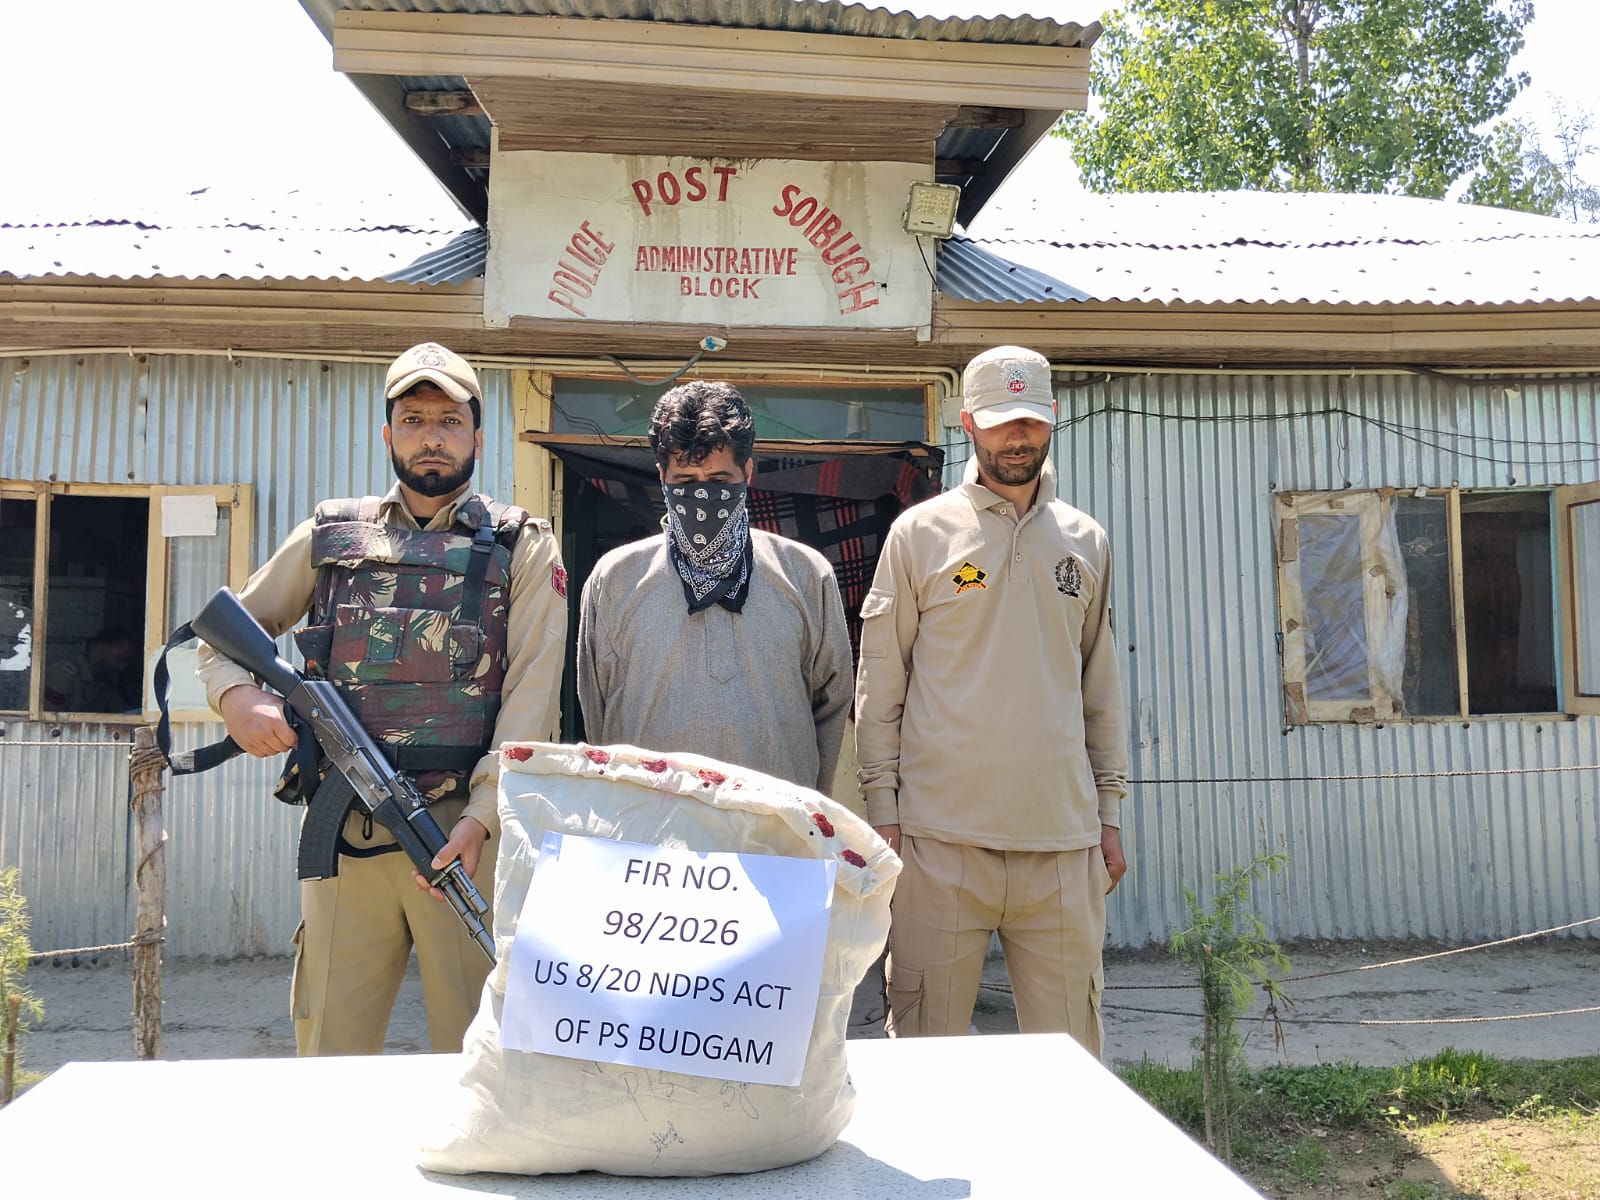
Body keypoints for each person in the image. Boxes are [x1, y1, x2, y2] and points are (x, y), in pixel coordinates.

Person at [197, 341, 567, 1056]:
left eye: (450, 421)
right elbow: (222, 633)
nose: (432, 436)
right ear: (387, 433)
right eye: (414, 419)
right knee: (330, 1050)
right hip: (346, 833)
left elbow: (532, 699)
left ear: (478, 436)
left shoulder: (521, 544)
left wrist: (483, 819)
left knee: (477, 1054)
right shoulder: (332, 533)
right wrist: (237, 697)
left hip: (460, 836)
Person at [853, 344, 1129, 1057]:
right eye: (1003, 421)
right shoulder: (919, 535)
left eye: (1031, 420)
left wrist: (1108, 815)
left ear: (1053, 417)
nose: (1018, 437)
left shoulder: (1086, 541)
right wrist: (883, 811)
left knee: (1072, 1074)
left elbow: (1100, 687)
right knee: (930, 1064)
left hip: (1063, 847)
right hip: (939, 845)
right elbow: (880, 683)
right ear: (968, 421)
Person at [577, 380, 852, 793]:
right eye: (686, 482)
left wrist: (806, 806)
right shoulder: (614, 579)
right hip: (650, 825)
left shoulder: (805, 574)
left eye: (719, 480)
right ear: (661, 477)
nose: (702, 496)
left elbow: (831, 707)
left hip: (772, 824)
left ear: (748, 473)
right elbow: (597, 710)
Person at [44, 626, 140, 712]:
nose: (122, 668)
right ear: (101, 649)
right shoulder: (63, 675)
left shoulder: (105, 685)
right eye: (119, 659)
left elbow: (126, 714)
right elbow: (52, 720)